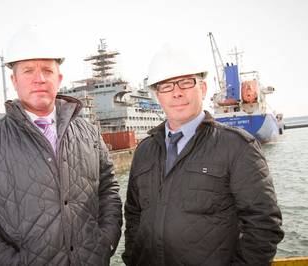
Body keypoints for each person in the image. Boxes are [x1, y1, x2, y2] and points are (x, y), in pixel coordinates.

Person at [0, 25, 122, 266]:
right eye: (28, 70)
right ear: (14, 80)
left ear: (59, 79)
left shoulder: (89, 133)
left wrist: (106, 242)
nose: (39, 78)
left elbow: (108, 190)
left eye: (47, 70)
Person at [122, 44, 284, 266]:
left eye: (186, 82)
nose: (177, 92)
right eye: (166, 86)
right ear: (158, 96)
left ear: (204, 89)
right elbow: (133, 216)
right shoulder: (144, 151)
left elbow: (264, 226)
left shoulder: (238, 147)